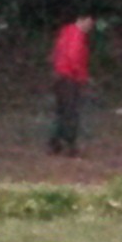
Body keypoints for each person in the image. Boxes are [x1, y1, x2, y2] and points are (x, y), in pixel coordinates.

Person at [48, 13, 95, 156]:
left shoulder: (66, 32)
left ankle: (56, 143)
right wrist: (82, 77)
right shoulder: (77, 36)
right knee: (71, 113)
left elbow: (56, 53)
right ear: (80, 20)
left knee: (62, 111)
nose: (90, 27)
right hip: (69, 77)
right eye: (88, 23)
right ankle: (70, 145)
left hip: (60, 76)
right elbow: (74, 58)